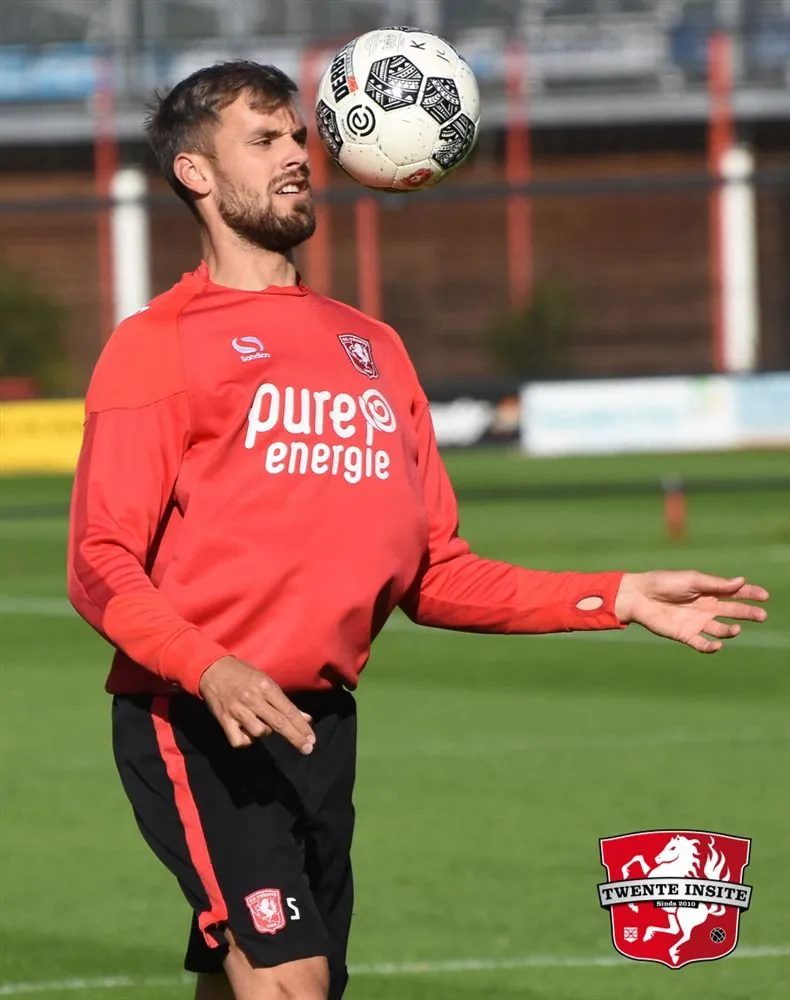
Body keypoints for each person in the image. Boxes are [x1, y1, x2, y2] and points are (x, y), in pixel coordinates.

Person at [67, 61, 769, 1000]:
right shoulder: (161, 340)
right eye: (264, 141)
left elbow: (436, 572)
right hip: (198, 717)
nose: (296, 158)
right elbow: (98, 562)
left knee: (265, 979)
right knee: (289, 979)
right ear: (196, 173)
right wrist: (207, 666)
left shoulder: (374, 348)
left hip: (319, 728)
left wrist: (620, 594)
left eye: (298, 140)